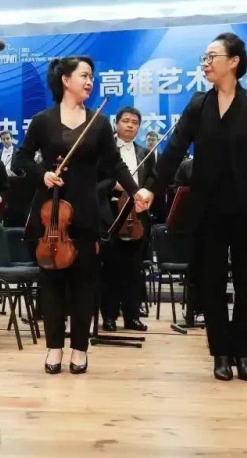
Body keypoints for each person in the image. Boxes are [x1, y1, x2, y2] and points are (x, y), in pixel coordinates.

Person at [142, 33, 247, 382]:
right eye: (204, 57)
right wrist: (152, 188)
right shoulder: (199, 104)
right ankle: (220, 353)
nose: (205, 63)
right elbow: (174, 149)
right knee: (210, 282)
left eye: (212, 56)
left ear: (234, 61)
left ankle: (244, 353)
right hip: (208, 208)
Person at [12, 57, 151, 375]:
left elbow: (115, 165)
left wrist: (135, 192)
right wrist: (43, 174)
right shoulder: (43, 120)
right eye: (84, 76)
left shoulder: (98, 123)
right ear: (65, 80)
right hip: (51, 212)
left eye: (92, 77)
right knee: (51, 282)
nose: (90, 82)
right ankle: (54, 347)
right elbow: (21, 159)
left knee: (85, 283)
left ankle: (79, 348)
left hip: (87, 211)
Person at [97, 106, 154, 332]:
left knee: (134, 270)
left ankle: (132, 317)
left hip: (137, 216)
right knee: (111, 268)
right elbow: (95, 184)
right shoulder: (105, 152)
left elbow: (151, 183)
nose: (130, 125)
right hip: (111, 214)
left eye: (135, 122)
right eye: (126, 121)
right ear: (116, 123)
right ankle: (109, 316)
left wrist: (145, 195)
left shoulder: (145, 154)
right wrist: (115, 184)